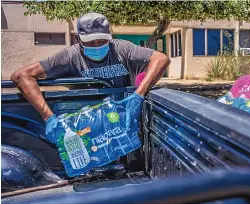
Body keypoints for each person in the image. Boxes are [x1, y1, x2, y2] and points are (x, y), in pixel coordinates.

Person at [10, 12, 170, 141]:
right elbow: (21, 76)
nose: (96, 46)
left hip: (123, 121)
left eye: (102, 41)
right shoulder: (70, 56)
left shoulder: (122, 49)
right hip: (87, 125)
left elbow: (161, 59)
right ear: (79, 39)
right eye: (90, 42)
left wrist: (137, 96)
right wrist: (48, 116)